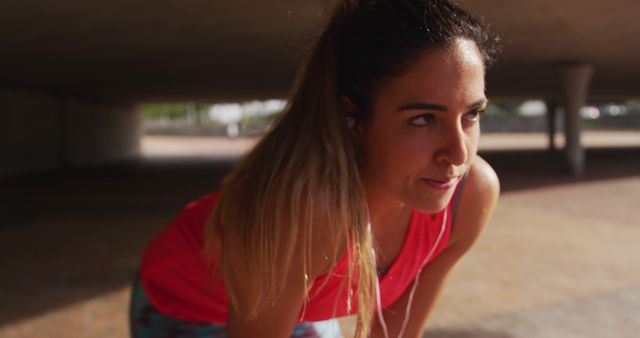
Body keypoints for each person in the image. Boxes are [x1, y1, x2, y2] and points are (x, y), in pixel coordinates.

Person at [129, 0, 501, 337]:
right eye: (423, 119)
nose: (457, 153)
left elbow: (396, 334)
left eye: (471, 115)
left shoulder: (470, 196)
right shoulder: (306, 211)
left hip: (296, 303)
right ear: (352, 118)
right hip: (186, 307)